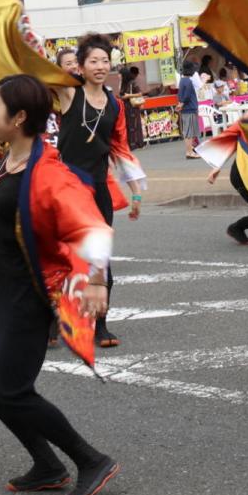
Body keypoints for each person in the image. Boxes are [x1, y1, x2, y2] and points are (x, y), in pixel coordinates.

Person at [0, 74, 119, 495]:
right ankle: (47, 465)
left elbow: (91, 225)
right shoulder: (11, 159)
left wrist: (94, 282)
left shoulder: (50, 174)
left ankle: (91, 460)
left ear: (18, 117)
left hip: (29, 291)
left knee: (14, 389)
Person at [55, 34, 145, 348]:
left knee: (99, 258)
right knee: (67, 258)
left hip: (98, 191)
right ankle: (56, 317)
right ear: (80, 66)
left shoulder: (114, 105)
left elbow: (120, 149)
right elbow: (37, 72)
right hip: (67, 190)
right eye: (93, 60)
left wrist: (135, 192)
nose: (100, 66)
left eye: (105, 60)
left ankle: (100, 325)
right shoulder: (68, 93)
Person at [177, 61, 201, 159]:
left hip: (185, 109)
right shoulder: (189, 81)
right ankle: (189, 152)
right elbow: (187, 96)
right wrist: (182, 103)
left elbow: (181, 95)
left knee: (187, 132)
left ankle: (189, 151)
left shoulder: (182, 80)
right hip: (190, 108)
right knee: (189, 133)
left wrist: (180, 104)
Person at [120, 65, 145, 150]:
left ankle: (137, 144)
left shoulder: (132, 83)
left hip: (132, 107)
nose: (118, 76)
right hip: (126, 107)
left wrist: (128, 96)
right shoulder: (124, 83)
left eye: (120, 74)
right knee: (129, 125)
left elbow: (140, 93)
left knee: (134, 125)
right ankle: (131, 144)